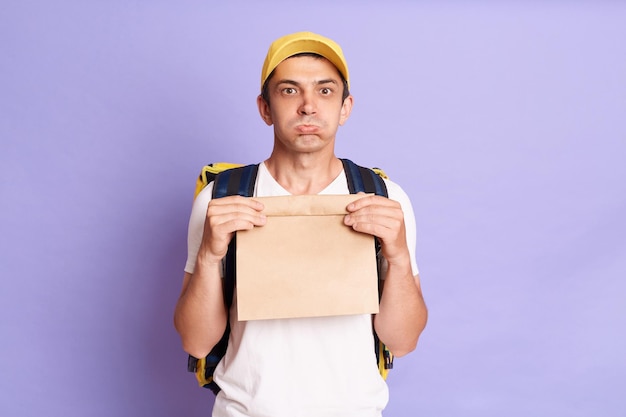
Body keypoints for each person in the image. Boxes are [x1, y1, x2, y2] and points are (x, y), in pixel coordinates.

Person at [174, 31, 427, 417]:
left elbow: (403, 340)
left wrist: (398, 255)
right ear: (265, 108)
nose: (308, 106)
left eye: (325, 91)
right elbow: (196, 342)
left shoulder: (385, 199)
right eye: (289, 91)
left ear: (345, 107)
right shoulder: (221, 199)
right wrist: (210, 256)